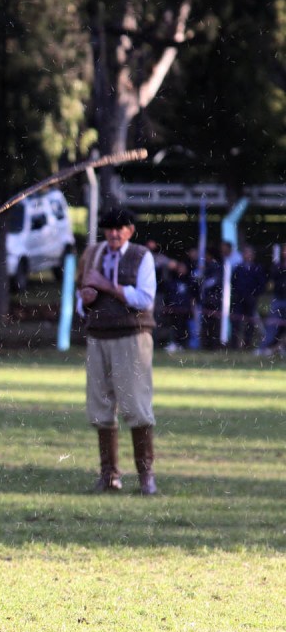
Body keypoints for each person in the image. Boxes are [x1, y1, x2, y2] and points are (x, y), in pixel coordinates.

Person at [77, 208, 158, 495]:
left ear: (129, 231)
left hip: (132, 337)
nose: (113, 234)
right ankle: (109, 475)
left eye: (119, 228)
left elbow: (144, 298)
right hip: (98, 337)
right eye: (109, 229)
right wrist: (85, 300)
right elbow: (81, 296)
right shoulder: (93, 255)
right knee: (99, 407)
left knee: (136, 405)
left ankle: (146, 476)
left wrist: (108, 287)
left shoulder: (141, 257)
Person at [228, 245, 267, 349]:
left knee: (250, 323)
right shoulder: (238, 268)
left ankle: (247, 344)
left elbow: (262, 284)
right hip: (238, 299)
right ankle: (234, 345)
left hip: (251, 300)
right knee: (236, 322)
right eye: (245, 253)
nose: (247, 255)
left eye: (249, 253)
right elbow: (233, 282)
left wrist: (254, 295)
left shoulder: (257, 268)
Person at [158, 259, 195, 353]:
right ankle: (174, 343)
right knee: (173, 326)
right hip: (173, 309)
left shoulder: (190, 281)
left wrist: (192, 308)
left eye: (183, 267)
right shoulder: (172, 280)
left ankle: (182, 344)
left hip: (185, 310)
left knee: (183, 327)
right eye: (179, 267)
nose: (180, 269)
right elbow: (165, 290)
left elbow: (194, 296)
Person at [256, 246, 286, 356]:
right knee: (272, 326)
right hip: (278, 299)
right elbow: (271, 281)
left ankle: (282, 349)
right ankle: (263, 348)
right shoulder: (277, 267)